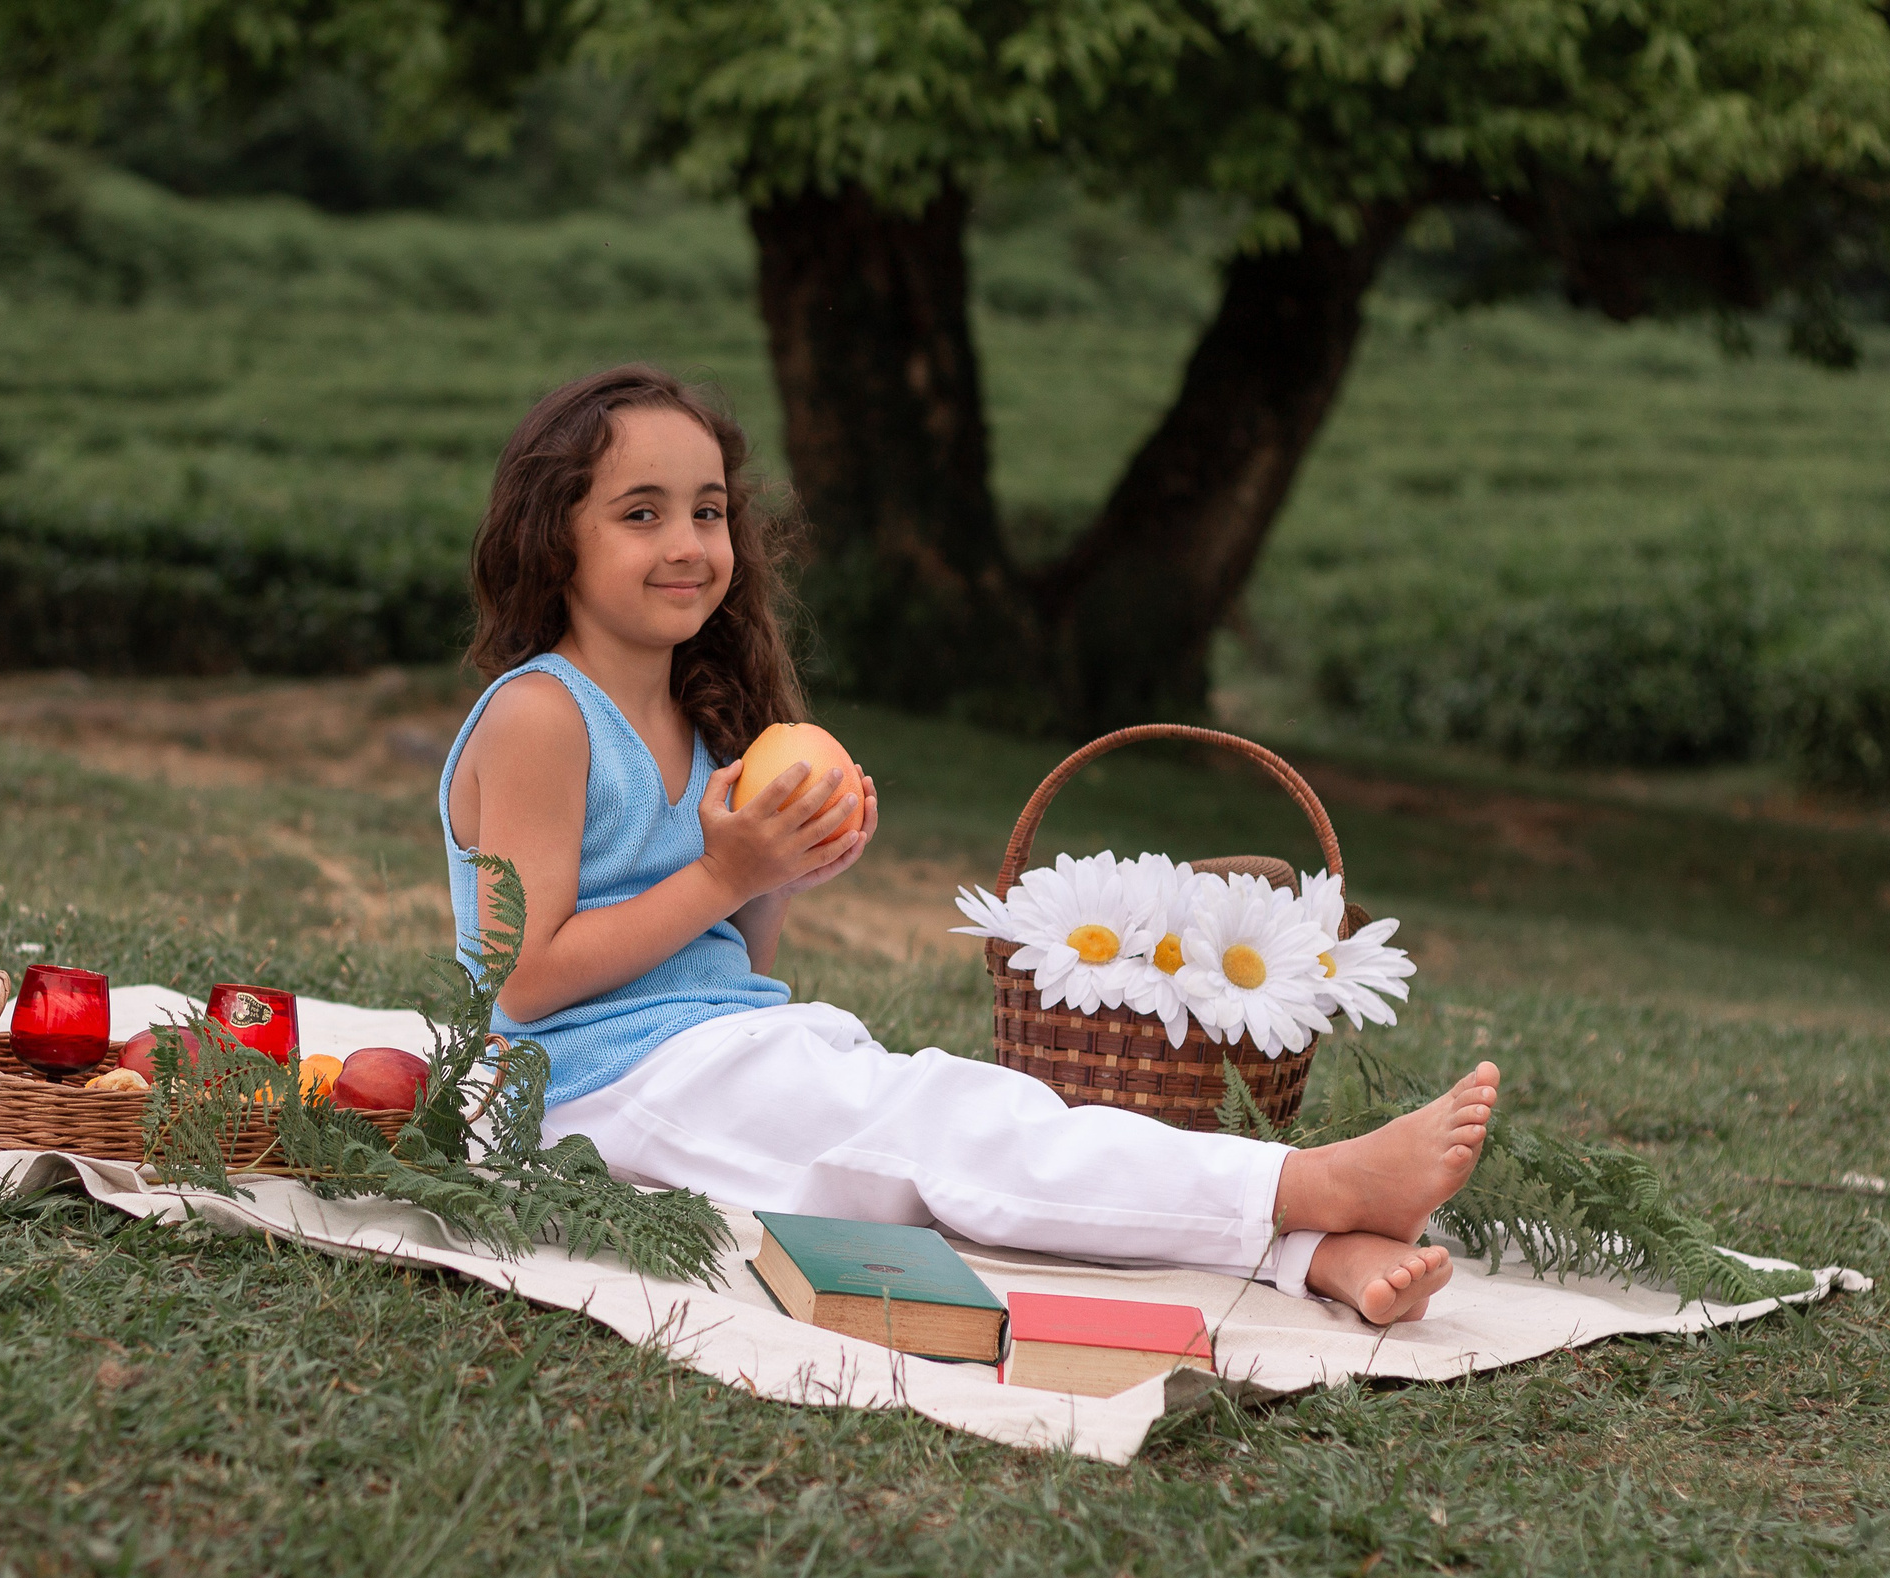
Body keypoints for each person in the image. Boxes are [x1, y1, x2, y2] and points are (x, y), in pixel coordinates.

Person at [439, 365, 1496, 1324]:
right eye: (640, 513)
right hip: (579, 1092)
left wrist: (778, 877)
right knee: (946, 1136)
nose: (687, 543)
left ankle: (1309, 1249)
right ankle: (1305, 1186)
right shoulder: (541, 717)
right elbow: (526, 982)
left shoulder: (709, 717)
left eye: (708, 511)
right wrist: (731, 870)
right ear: (552, 538)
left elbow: (721, 970)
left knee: (972, 1133)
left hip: (707, 1060)